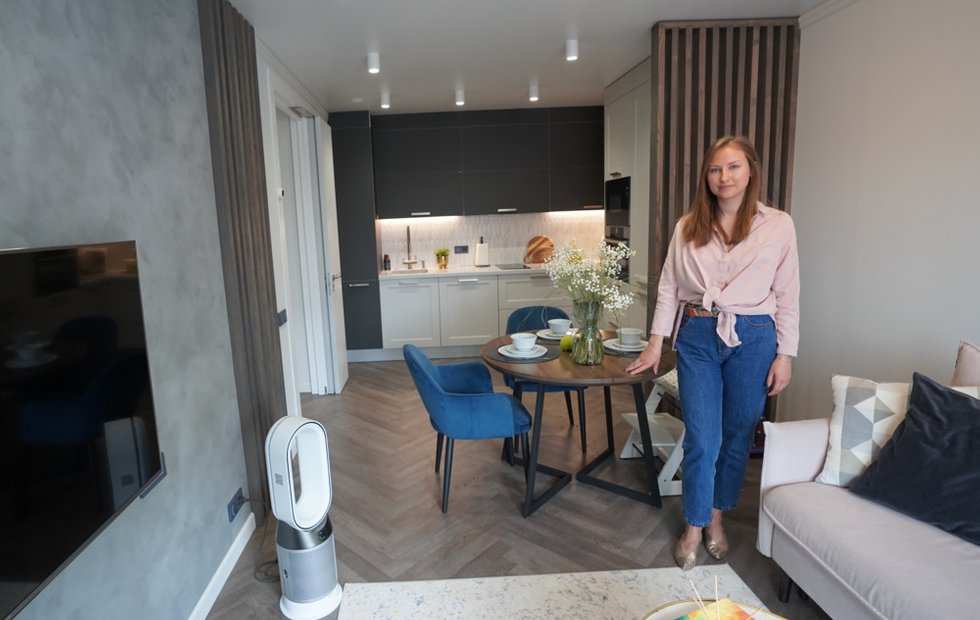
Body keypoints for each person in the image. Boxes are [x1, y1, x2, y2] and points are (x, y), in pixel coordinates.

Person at [625, 135, 800, 570]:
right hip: (698, 333)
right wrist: (655, 341)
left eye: (734, 166)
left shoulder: (778, 225)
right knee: (703, 437)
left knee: (738, 433)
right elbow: (669, 286)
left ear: (751, 171)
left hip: (754, 336)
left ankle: (717, 516)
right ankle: (694, 523)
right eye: (716, 169)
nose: (724, 177)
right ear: (706, 176)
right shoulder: (688, 226)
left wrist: (785, 355)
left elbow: (788, 293)